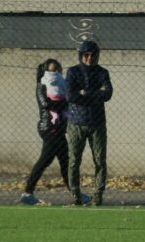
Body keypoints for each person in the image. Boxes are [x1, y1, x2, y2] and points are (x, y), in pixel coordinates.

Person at [20, 59, 90, 206]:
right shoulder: (42, 86)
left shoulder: (62, 85)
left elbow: (71, 99)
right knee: (45, 161)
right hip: (49, 128)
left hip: (59, 129)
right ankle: (27, 193)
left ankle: (75, 193)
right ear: (46, 70)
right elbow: (46, 104)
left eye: (58, 69)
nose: (56, 73)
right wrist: (66, 102)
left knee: (65, 162)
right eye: (53, 70)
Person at [66, 40, 113, 206]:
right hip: (76, 122)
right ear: (81, 56)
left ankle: (98, 194)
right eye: (86, 55)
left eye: (93, 55)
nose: (89, 58)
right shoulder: (72, 72)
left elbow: (107, 93)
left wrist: (86, 93)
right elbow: (71, 96)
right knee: (73, 161)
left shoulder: (102, 73)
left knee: (100, 160)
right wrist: (95, 95)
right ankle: (74, 194)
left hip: (97, 122)